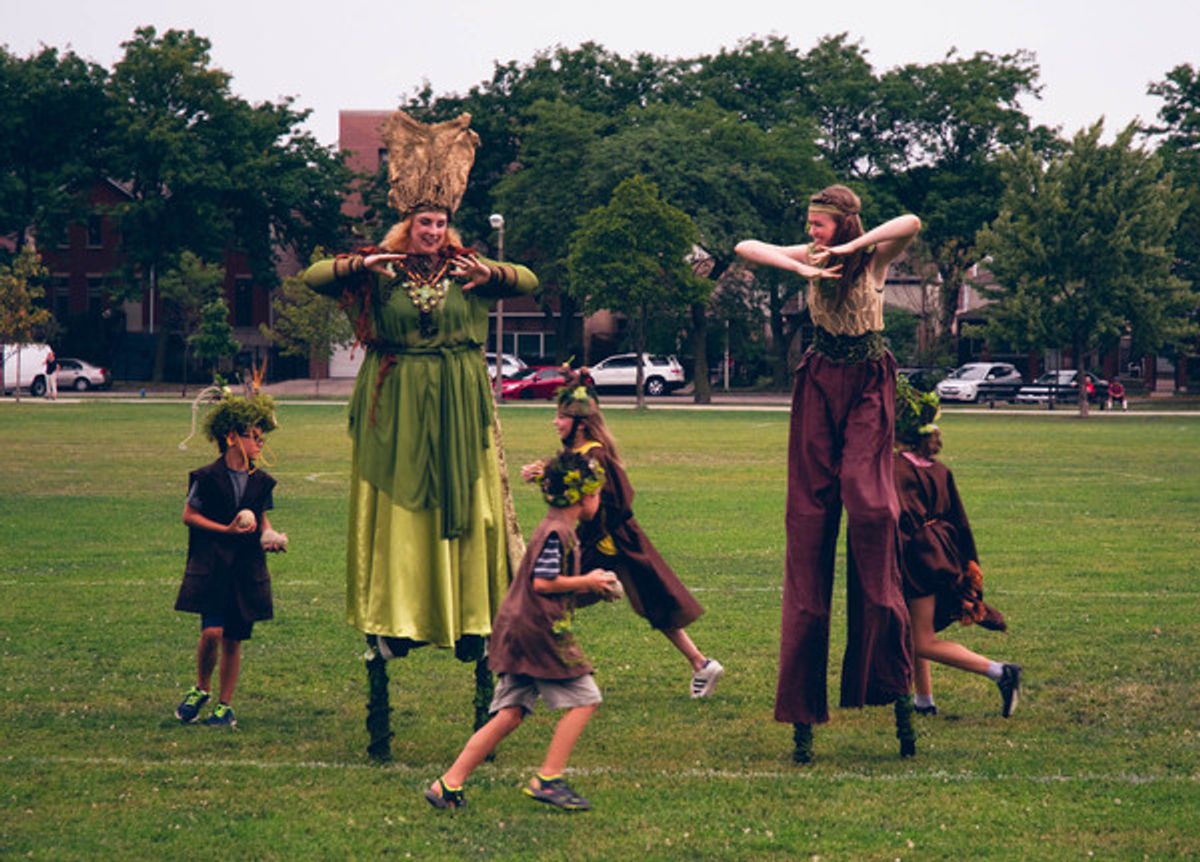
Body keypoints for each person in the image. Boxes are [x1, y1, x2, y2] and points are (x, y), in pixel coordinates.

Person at [302, 112, 538, 761]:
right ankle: (397, 622)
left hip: (461, 402)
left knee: (470, 512)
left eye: (439, 223)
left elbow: (532, 280)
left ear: (448, 227)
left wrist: (493, 274)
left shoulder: (469, 270)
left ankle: (469, 620)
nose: (431, 232)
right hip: (397, 400)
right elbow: (312, 278)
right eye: (422, 223)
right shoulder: (382, 274)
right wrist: (361, 260)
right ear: (408, 226)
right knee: (402, 510)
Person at [735, 184, 922, 763]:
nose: (812, 231)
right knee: (810, 528)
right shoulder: (813, 256)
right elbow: (746, 247)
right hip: (818, 382)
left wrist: (852, 247)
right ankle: (802, 718)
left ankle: (890, 685)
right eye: (810, 224)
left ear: (843, 224)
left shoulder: (873, 257)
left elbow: (910, 222)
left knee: (870, 510)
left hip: (868, 382)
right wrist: (810, 261)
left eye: (820, 224)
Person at [426, 451, 618, 812]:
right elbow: (544, 582)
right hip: (539, 631)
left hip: (518, 628)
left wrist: (590, 588)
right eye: (595, 493)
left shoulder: (557, 528)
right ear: (579, 496)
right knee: (586, 698)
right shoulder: (558, 533)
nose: (598, 499)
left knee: (510, 713)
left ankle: (447, 785)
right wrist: (589, 580)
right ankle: (548, 778)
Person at [520, 371, 723, 698]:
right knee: (645, 602)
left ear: (580, 424)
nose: (555, 422)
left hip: (611, 542)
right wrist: (546, 472)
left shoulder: (594, 455)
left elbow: (598, 505)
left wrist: (551, 483)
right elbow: (574, 479)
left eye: (561, 417)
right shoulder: (583, 452)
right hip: (609, 542)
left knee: (551, 595)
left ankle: (537, 672)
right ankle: (701, 664)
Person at [892, 375, 1021, 718]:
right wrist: (968, 563)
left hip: (920, 558)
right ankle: (924, 701)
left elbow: (899, 516)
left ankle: (1000, 672)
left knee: (921, 639)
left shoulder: (897, 469)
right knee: (914, 629)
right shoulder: (938, 469)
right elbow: (959, 518)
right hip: (943, 551)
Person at [173, 392, 288, 728]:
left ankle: (225, 706)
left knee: (234, 639)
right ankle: (201, 688)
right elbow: (189, 515)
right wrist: (224, 528)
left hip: (246, 569)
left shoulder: (261, 481)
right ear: (231, 437)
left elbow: (262, 520)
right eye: (254, 437)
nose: (259, 443)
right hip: (212, 566)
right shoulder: (206, 477)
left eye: (261, 437)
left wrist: (271, 537)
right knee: (211, 632)